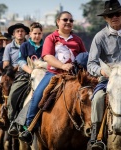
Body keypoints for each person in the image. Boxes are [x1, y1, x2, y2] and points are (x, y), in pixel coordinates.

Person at [19, 11, 87, 143]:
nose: (68, 22)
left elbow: (84, 56)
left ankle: (95, 130)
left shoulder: (77, 40)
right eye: (65, 20)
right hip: (54, 74)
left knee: (89, 96)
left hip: (74, 76)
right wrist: (62, 66)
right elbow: (47, 57)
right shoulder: (52, 38)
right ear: (58, 22)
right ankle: (30, 127)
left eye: (71, 20)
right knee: (38, 95)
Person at [87, 0, 121, 149]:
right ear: (105, 18)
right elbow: (91, 64)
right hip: (109, 78)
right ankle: (96, 137)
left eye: (118, 14)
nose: (115, 17)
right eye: (110, 15)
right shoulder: (99, 37)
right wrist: (101, 71)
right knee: (98, 98)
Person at [7, 22, 44, 135]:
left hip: (44, 75)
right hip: (27, 74)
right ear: (30, 34)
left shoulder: (46, 44)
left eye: (39, 33)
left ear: (42, 34)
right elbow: (21, 60)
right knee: (13, 94)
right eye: (35, 33)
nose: (37, 36)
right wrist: (31, 71)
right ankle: (13, 121)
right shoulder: (25, 45)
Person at [1, 23, 30, 132]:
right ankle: (8, 117)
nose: (20, 33)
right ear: (13, 34)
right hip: (12, 76)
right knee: (3, 91)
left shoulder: (29, 45)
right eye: (17, 31)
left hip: (28, 74)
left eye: (22, 31)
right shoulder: (8, 47)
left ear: (26, 33)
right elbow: (5, 64)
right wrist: (16, 68)